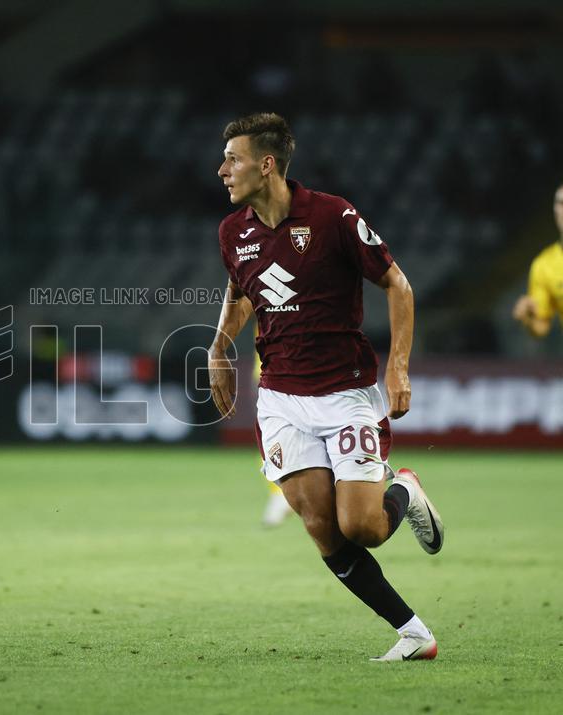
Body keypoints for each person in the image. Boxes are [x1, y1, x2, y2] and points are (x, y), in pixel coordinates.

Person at [207, 113, 445, 661]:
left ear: (266, 165)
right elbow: (243, 292)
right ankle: (413, 632)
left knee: (360, 526)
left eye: (233, 159)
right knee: (319, 524)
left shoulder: (334, 216)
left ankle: (403, 489)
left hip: (346, 395)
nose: (222, 170)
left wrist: (399, 366)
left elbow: (397, 284)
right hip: (282, 399)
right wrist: (220, 347)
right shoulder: (232, 233)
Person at [512, 182, 563, 338]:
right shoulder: (544, 265)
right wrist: (529, 318)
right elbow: (541, 326)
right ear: (555, 210)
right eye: (561, 203)